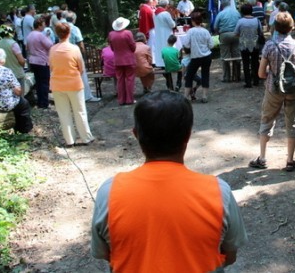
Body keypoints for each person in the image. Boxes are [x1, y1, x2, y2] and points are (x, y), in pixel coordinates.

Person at [91, 91, 248, 272]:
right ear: (188, 136)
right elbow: (230, 255)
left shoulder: (109, 192)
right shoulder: (220, 192)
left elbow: (103, 253)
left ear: (136, 134)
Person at [249, 12, 295, 172]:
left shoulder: (269, 46)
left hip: (273, 89)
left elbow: (261, 74)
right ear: (292, 28)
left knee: (267, 120)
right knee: (293, 121)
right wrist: (294, 70)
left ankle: (262, 158)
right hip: (293, 90)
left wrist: (272, 70)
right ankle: (290, 160)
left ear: (275, 28)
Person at [49, 22, 94, 147]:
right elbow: (81, 68)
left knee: (63, 113)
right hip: (74, 83)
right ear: (69, 33)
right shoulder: (74, 49)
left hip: (57, 85)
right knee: (80, 111)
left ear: (57, 34)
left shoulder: (52, 49)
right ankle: (86, 138)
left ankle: (69, 140)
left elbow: (51, 67)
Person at [0, 48, 33, 134]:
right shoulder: (6, 71)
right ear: (1, 60)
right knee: (24, 104)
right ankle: (24, 130)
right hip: (5, 104)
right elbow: (18, 91)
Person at [63, 10, 101, 102]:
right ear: (73, 19)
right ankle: (87, 96)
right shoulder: (75, 29)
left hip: (64, 55)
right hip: (75, 55)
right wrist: (83, 55)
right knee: (82, 76)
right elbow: (80, 43)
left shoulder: (62, 28)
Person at [183, 12, 214, 103]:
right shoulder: (206, 31)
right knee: (205, 75)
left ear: (192, 21)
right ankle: (204, 96)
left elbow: (186, 45)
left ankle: (186, 96)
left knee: (189, 76)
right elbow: (211, 45)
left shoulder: (190, 31)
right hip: (206, 56)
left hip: (195, 56)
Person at [26, 16, 53, 109]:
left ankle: (40, 101)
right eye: (44, 24)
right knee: (45, 82)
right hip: (42, 61)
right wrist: (48, 37)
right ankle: (44, 103)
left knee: (38, 82)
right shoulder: (41, 35)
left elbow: (27, 48)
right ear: (39, 25)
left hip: (33, 61)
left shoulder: (29, 35)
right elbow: (50, 45)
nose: (45, 26)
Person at [109, 17, 137, 105]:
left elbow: (112, 48)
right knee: (129, 79)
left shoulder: (111, 34)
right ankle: (129, 99)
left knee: (120, 80)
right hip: (128, 59)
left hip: (117, 60)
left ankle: (121, 100)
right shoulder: (128, 33)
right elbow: (133, 46)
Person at [213, 0, 241, 82]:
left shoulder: (220, 14)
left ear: (222, 5)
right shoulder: (236, 12)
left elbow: (215, 27)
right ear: (229, 3)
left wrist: (219, 33)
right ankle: (237, 76)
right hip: (236, 35)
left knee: (225, 57)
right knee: (237, 55)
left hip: (224, 35)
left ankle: (227, 77)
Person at [234, 3, 263, 88]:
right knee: (255, 62)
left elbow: (236, 33)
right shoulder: (256, 20)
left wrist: (242, 36)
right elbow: (260, 32)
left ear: (242, 12)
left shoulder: (240, 21)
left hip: (244, 44)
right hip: (255, 44)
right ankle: (256, 80)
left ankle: (248, 82)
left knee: (246, 63)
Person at [0, 22, 26, 94]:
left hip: (5, 74)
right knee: (20, 96)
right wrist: (24, 63)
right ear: (13, 32)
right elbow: (21, 60)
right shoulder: (13, 44)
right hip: (17, 73)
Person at [153, 0, 175, 68]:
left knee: (160, 47)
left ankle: (161, 63)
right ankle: (169, 62)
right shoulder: (165, 13)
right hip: (166, 33)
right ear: (167, 5)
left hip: (158, 33)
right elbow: (172, 24)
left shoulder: (154, 13)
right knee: (167, 46)